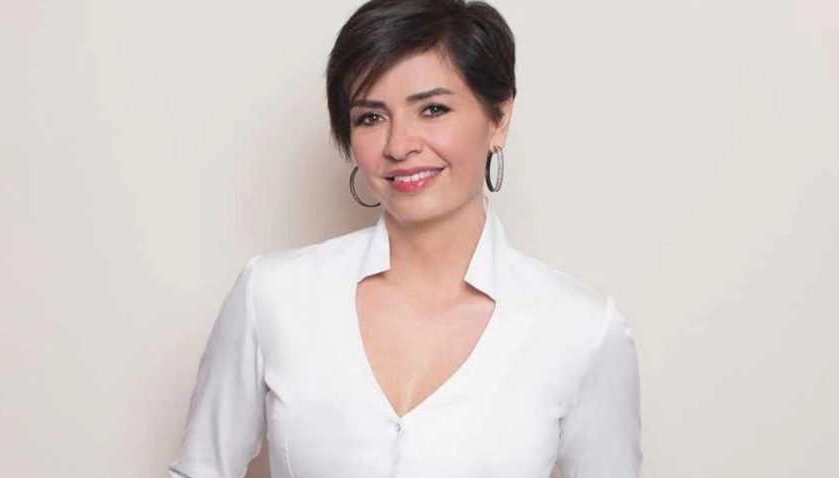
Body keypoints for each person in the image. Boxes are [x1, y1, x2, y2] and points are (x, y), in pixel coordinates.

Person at [168, 0, 642, 477]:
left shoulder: (581, 330)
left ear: (498, 118)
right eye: (370, 118)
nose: (398, 145)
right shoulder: (272, 296)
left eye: (433, 109)